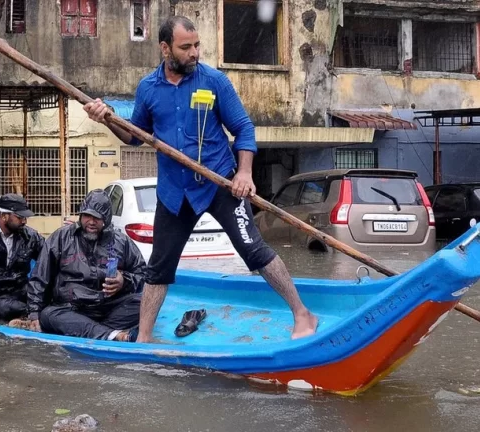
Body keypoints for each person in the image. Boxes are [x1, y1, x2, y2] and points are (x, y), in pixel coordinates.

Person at [83, 15, 318, 343]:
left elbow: (244, 129)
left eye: (197, 46)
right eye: (185, 47)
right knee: (159, 269)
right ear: (165, 49)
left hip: (220, 183)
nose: (194, 53)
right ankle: (144, 338)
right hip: (174, 193)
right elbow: (134, 136)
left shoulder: (214, 81)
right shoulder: (148, 88)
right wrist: (106, 117)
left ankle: (303, 314)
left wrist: (245, 173)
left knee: (255, 251)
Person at [14, 189, 146, 342]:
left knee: (145, 304)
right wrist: (34, 313)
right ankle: (112, 334)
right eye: (87, 215)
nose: (91, 221)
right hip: (71, 309)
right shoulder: (62, 237)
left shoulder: (121, 241)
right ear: (81, 215)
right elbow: (40, 277)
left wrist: (124, 280)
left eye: (97, 217)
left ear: (106, 219)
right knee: (48, 315)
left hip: (107, 308)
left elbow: (143, 275)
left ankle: (92, 330)